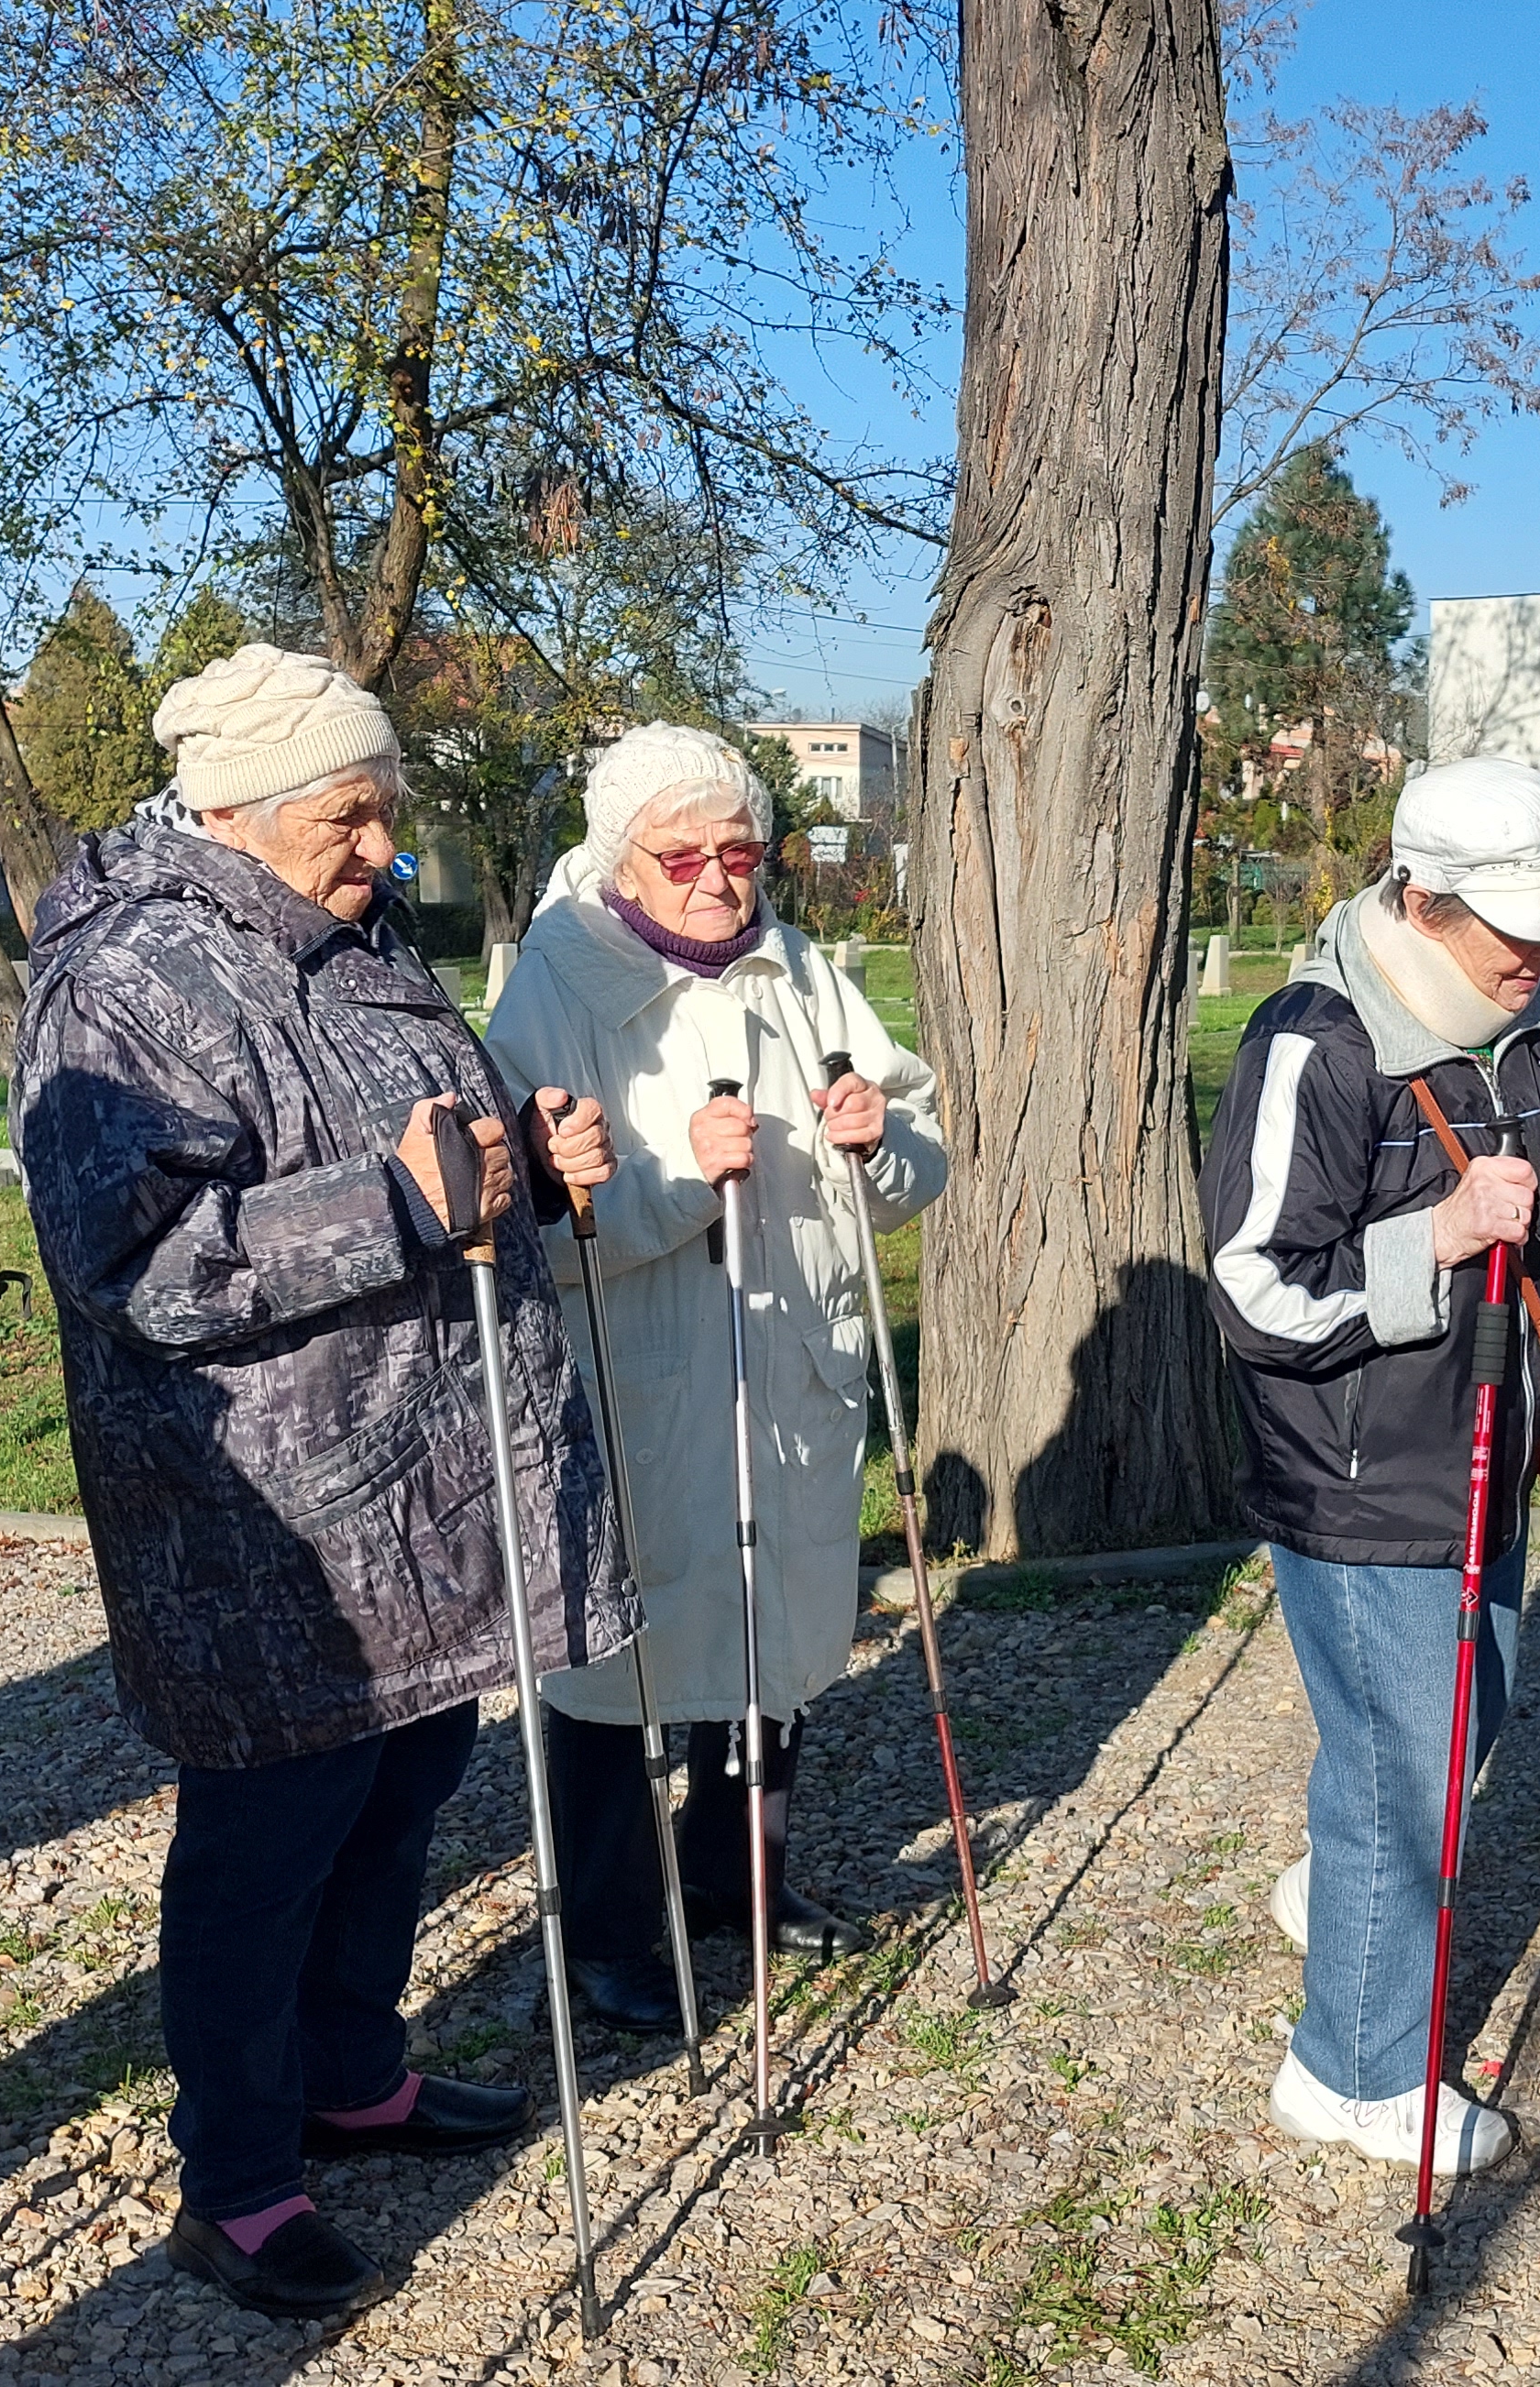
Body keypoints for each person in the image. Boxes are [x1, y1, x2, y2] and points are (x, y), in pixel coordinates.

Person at [9, 644, 625, 2319]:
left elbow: (447, 1158)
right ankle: (239, 2179)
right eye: (352, 817)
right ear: (232, 811)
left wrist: (533, 1173)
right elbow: (131, 1268)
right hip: (272, 1522)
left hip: (433, 1480)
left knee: (406, 1792)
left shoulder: (354, 938)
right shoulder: (131, 976)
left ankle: (355, 2075)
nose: (384, 850)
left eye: (386, 812)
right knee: (265, 1843)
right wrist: (404, 1203)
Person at [1196, 756, 1540, 2174]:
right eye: (1516, 934)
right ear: (1424, 898)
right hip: (1359, 1475)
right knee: (1407, 1767)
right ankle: (1351, 2075)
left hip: (1495, 1445)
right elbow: (1251, 1289)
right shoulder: (1319, 1040)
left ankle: (1342, 1890)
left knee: (1451, 1735)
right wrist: (1436, 1239)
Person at [485, 723, 940, 2030]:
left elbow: (914, 1171)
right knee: (623, 1654)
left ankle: (741, 1886)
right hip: (642, 1372)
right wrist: (682, 1180)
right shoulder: (559, 986)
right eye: (681, 855)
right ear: (624, 859)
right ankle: (616, 1937)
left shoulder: (798, 970)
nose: (714, 878)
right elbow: (536, 1227)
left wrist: (877, 1141)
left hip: (791, 1360)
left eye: (738, 851)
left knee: (774, 1630)